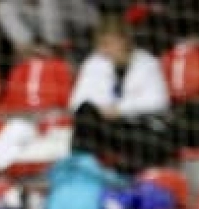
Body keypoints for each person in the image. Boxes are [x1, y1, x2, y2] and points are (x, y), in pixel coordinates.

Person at [68, 14, 174, 175]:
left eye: (108, 44)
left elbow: (159, 101)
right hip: (108, 127)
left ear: (124, 41)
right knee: (85, 114)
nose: (104, 49)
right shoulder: (93, 63)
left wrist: (120, 110)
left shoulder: (147, 63)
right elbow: (76, 102)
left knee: (151, 140)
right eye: (100, 44)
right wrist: (103, 108)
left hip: (138, 127)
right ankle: (82, 172)